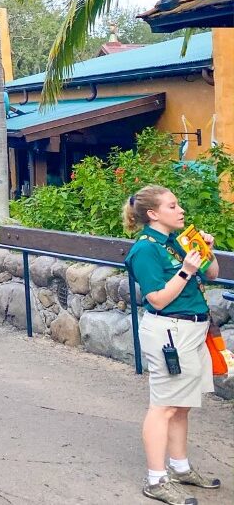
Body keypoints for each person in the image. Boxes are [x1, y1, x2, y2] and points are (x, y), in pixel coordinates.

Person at [122, 185, 222, 504]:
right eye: (173, 206)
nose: (180, 211)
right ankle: (156, 480)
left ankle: (180, 469)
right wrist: (185, 270)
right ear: (153, 214)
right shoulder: (145, 250)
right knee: (163, 407)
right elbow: (157, 299)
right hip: (170, 331)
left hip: (192, 331)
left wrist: (207, 251)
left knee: (182, 405)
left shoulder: (178, 242)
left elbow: (213, 275)